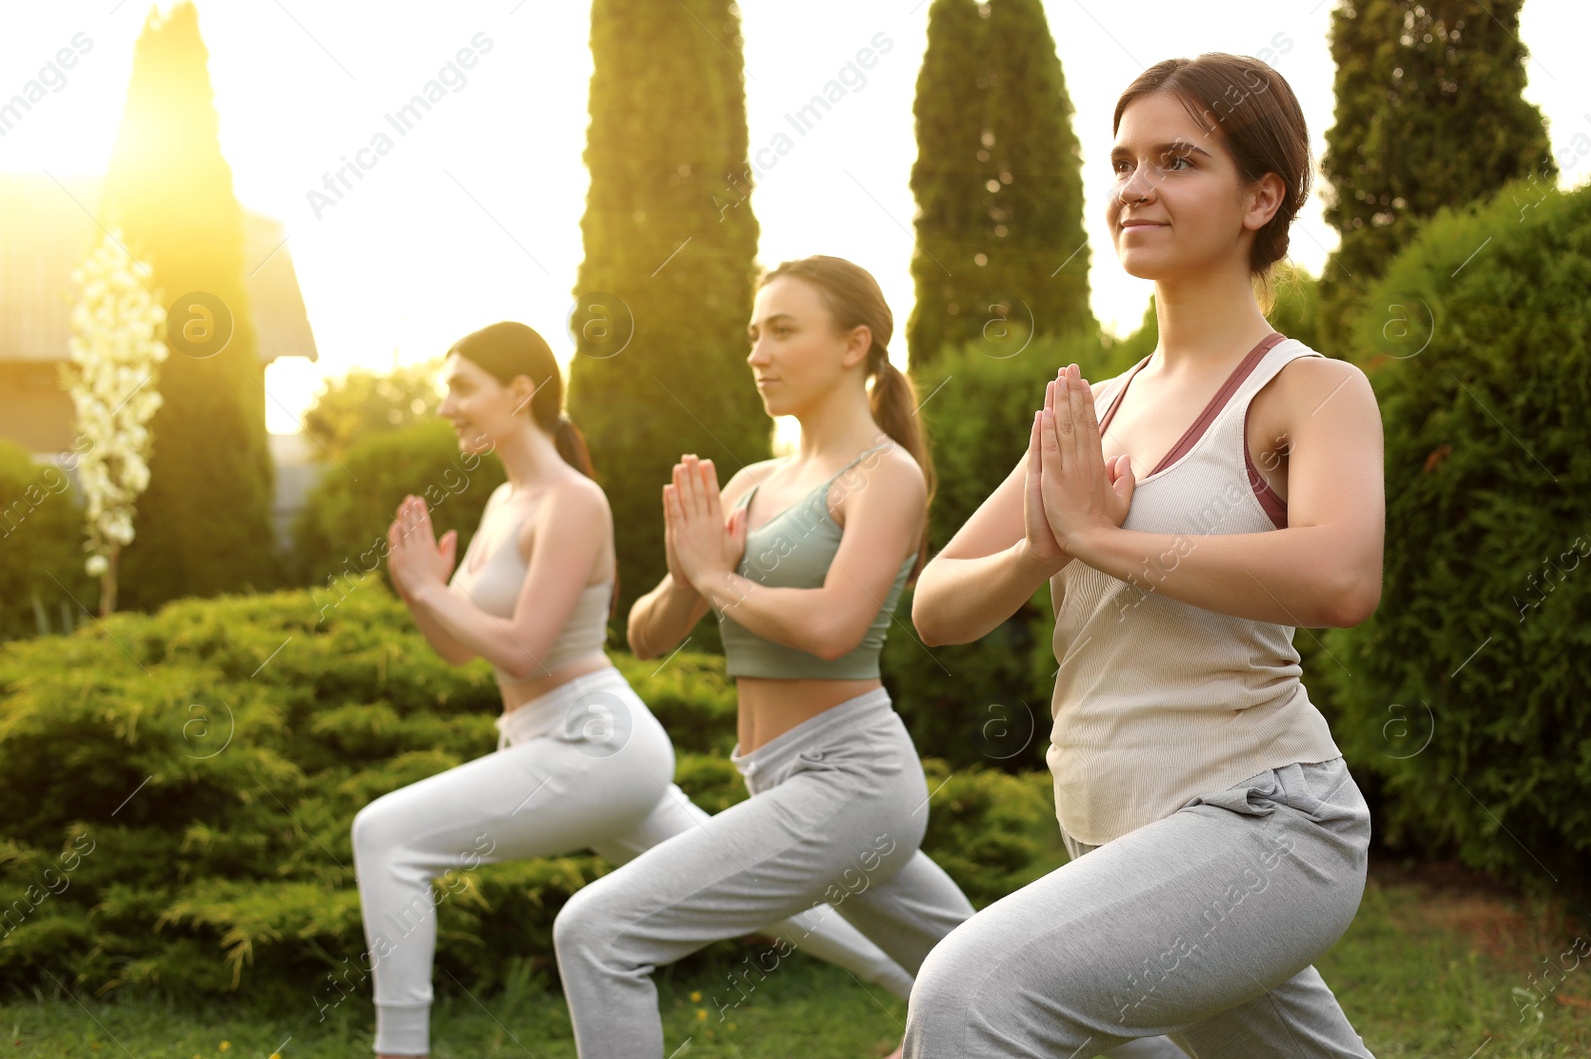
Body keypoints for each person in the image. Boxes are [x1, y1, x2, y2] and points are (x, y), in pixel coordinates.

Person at [901, 53, 1384, 1057]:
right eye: (1121, 162)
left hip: (1265, 824)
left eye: (1175, 160)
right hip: (1114, 832)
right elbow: (937, 604)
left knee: (967, 990)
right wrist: (1041, 546)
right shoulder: (1095, 408)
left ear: (1262, 195)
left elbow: (1339, 576)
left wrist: (1105, 540)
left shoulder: (1309, 390)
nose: (1135, 187)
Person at [355, 320, 915, 1058]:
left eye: (462, 387)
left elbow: (525, 647)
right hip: (559, 743)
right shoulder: (500, 505)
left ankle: (399, 1049)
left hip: (593, 741)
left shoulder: (573, 500)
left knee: (386, 835)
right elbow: (461, 651)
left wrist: (435, 589)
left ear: (521, 392)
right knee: (784, 905)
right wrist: (422, 592)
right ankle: (929, 986)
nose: (444, 406)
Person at [551, 257, 978, 1059]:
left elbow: (834, 628)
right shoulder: (751, 481)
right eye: (754, 334)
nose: (758, 352)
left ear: (856, 344)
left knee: (597, 931)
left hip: (853, 779)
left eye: (783, 330)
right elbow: (647, 635)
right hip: (782, 775)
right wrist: (686, 576)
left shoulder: (887, 476)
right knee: (986, 971)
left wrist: (716, 577)